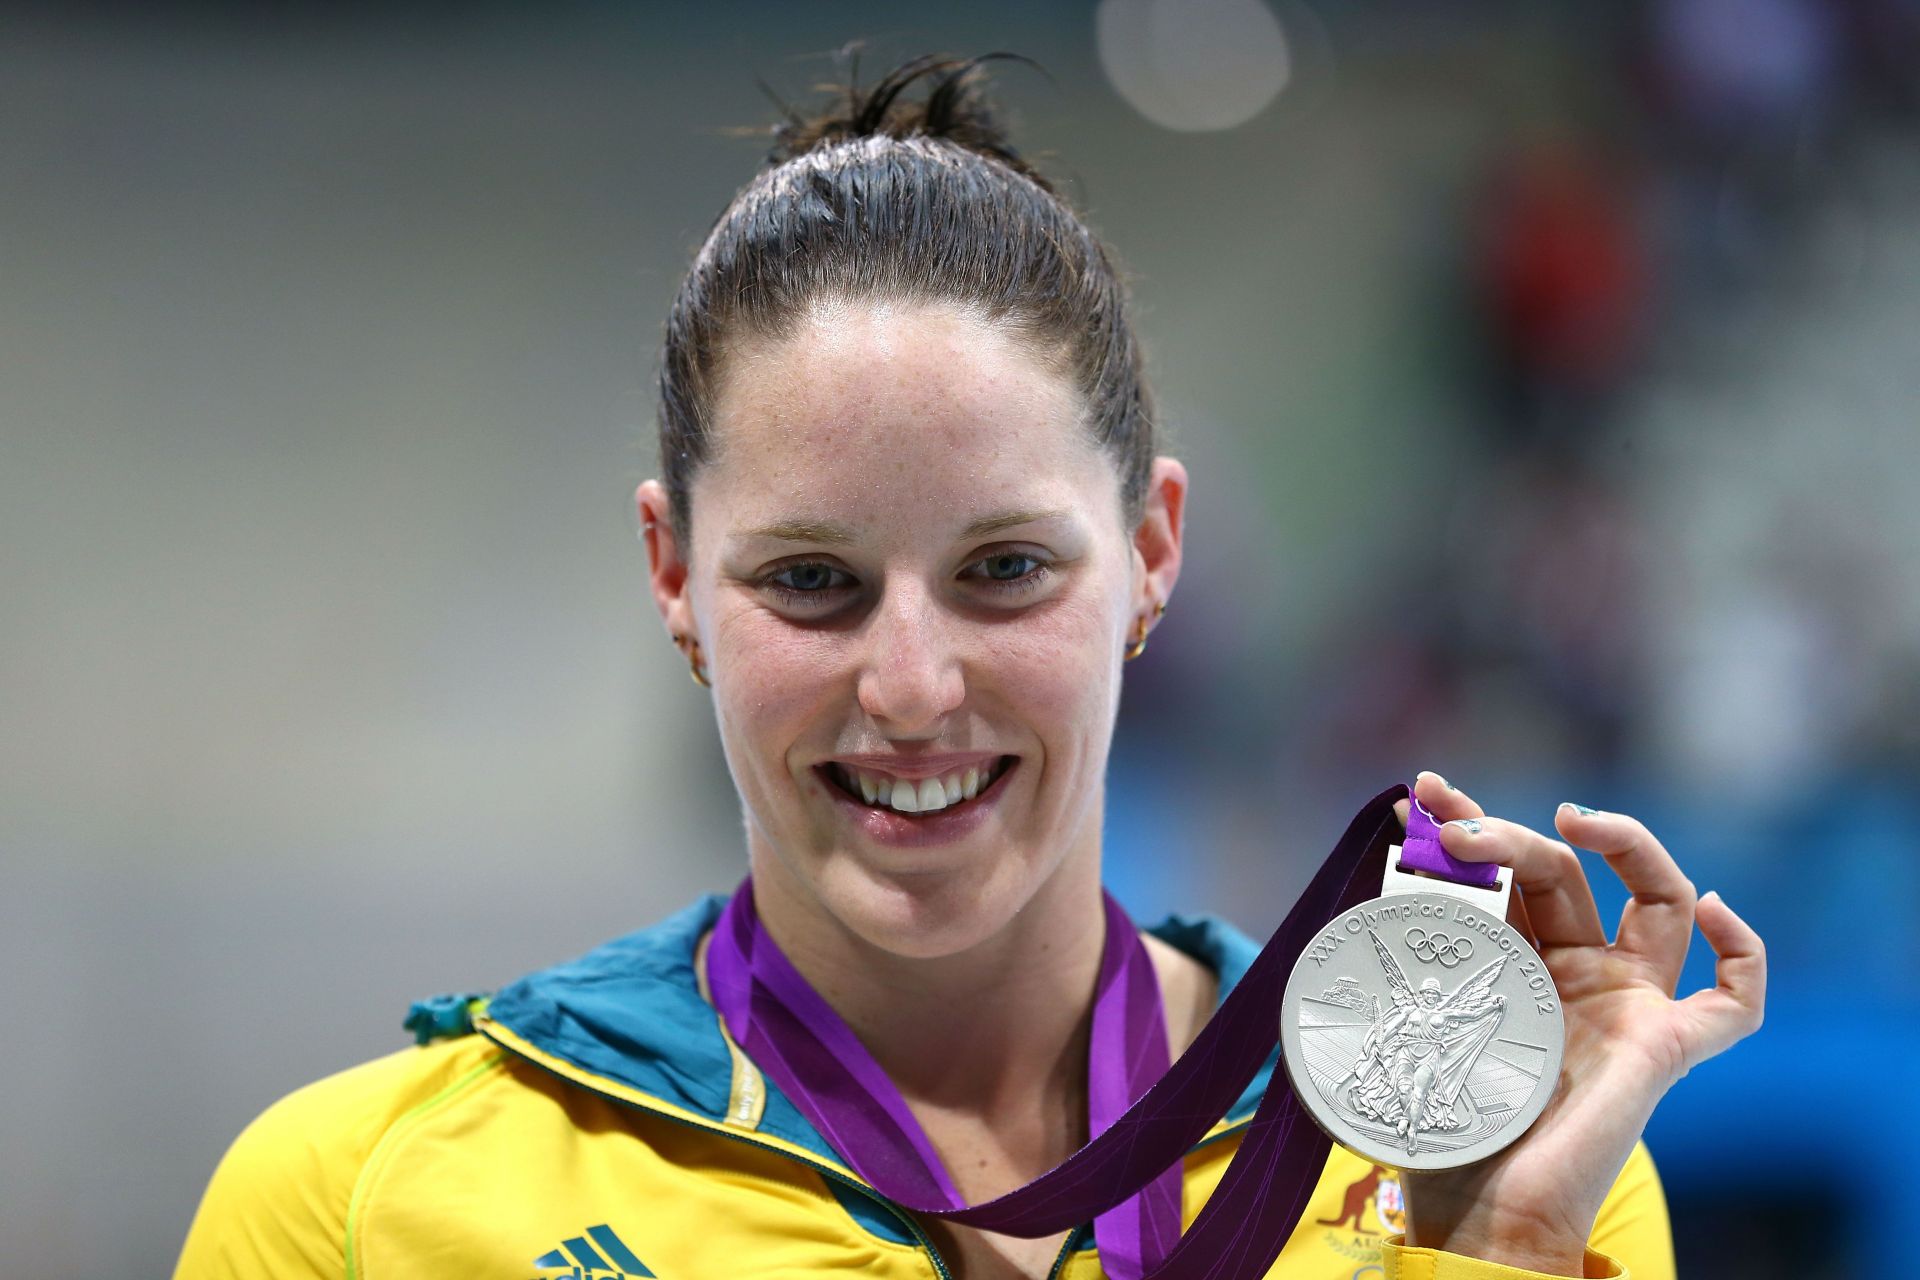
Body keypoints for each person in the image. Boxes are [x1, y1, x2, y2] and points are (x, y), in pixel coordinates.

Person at [173, 53, 1764, 1280]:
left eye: (1005, 570)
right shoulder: (359, 1208)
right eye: (813, 583)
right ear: (672, 573)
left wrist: (1489, 1256)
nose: (914, 687)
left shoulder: (1485, 1149)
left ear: (1152, 550)